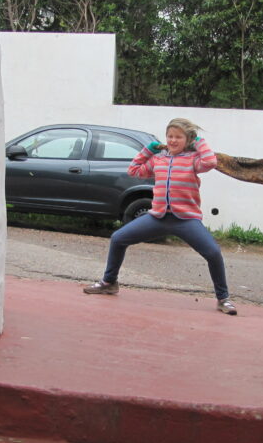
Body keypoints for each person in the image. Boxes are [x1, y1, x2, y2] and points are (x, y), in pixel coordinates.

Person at [83, 117, 238, 315]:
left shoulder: (193, 160)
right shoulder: (159, 160)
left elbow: (210, 161)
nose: (173, 140)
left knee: (213, 253)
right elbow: (134, 170)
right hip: (157, 217)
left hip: (185, 219)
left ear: (187, 140)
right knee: (118, 239)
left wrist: (198, 142)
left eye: (178, 137)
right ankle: (109, 283)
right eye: (170, 136)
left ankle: (223, 299)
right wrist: (148, 151)